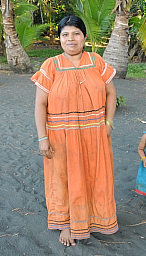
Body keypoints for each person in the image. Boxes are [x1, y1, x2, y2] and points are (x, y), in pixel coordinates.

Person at [31, 16, 118, 246]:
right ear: (59, 39)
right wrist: (43, 138)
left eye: (76, 33)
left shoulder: (96, 61)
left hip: (94, 133)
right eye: (65, 34)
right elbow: (40, 104)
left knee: (94, 177)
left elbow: (111, 93)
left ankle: (92, 220)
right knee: (64, 179)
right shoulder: (51, 65)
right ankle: (68, 224)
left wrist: (108, 124)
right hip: (61, 136)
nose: (71, 39)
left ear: (84, 37)